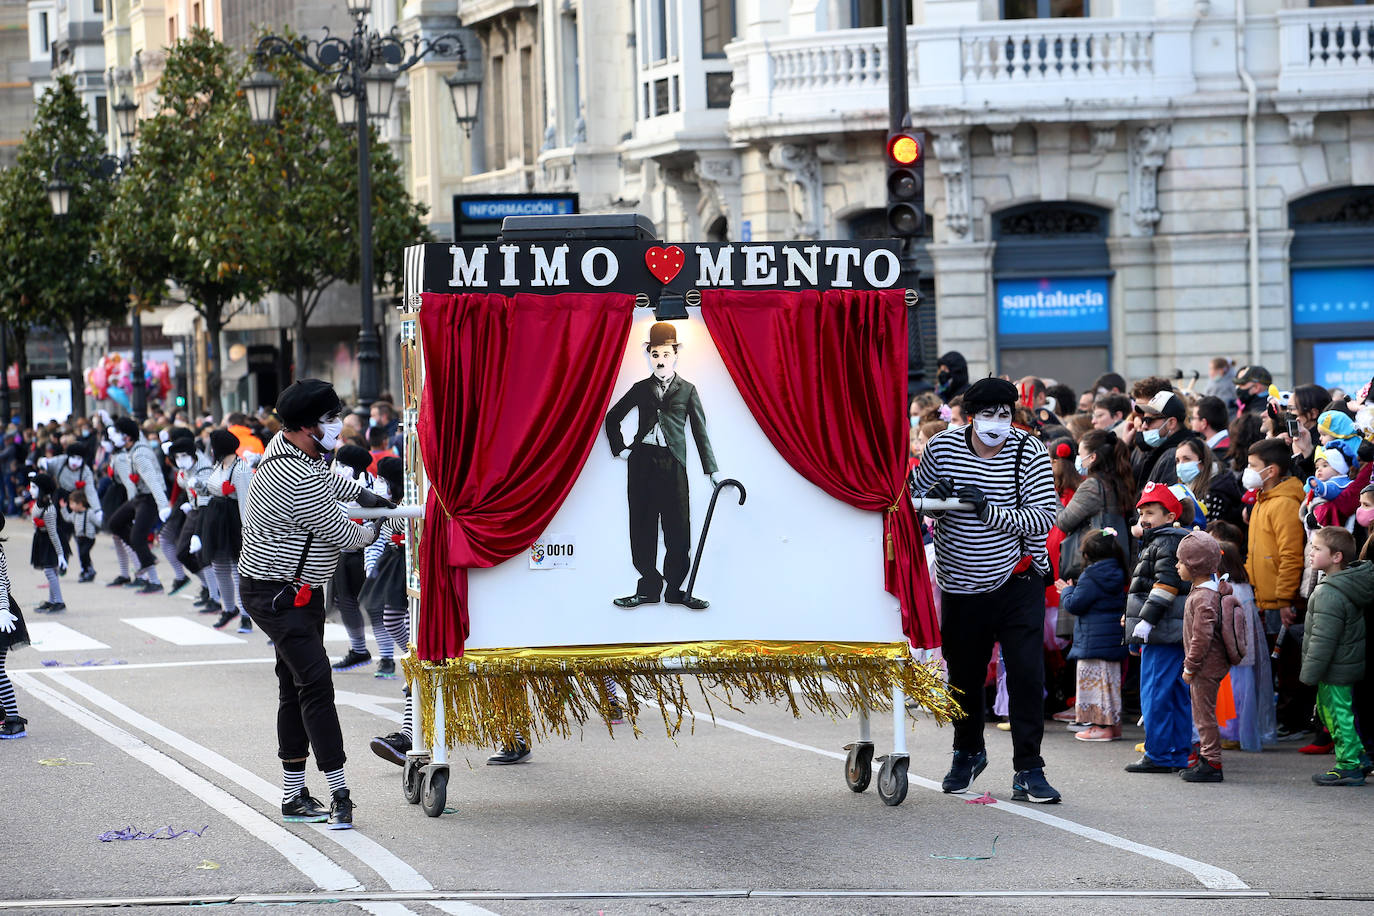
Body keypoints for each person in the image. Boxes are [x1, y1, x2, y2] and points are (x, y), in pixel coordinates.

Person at [239, 379, 392, 830]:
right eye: (329, 421)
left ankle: (293, 796)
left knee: (295, 684)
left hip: (293, 591)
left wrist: (368, 497)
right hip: (278, 593)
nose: (338, 428)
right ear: (305, 427)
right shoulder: (294, 474)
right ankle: (339, 790)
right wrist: (380, 527)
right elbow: (343, 536)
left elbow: (330, 483)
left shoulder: (289, 452)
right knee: (316, 684)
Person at [915, 377, 1062, 804]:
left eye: (1005, 414)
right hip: (960, 580)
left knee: (1026, 675)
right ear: (969, 416)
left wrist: (989, 510)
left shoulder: (1028, 449)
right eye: (988, 414)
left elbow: (1042, 518)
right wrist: (933, 498)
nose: (997, 423)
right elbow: (913, 500)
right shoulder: (942, 448)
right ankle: (967, 752)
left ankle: (1029, 768)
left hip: (1018, 578)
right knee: (963, 676)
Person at [603, 322, 719, 611]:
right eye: (655, 354)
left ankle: (676, 590)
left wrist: (712, 470)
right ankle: (648, 589)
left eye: (666, 354)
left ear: (675, 355)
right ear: (649, 356)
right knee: (642, 526)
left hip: (673, 465)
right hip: (642, 464)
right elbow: (612, 417)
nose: (660, 360)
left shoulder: (688, 390)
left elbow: (700, 432)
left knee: (678, 528)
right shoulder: (640, 388)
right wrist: (622, 450)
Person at [1123, 482, 1194, 774]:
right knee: (1175, 693)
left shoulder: (1163, 541)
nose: (1144, 519)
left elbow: (1165, 586)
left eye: (1151, 512)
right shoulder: (1172, 539)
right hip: (1173, 630)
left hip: (1161, 630)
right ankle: (1177, 753)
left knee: (1155, 693)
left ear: (1170, 515)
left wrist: (1146, 621)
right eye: (1142, 512)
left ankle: (1158, 754)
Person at [1244, 437, 1310, 739]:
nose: (1248, 471)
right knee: (1274, 662)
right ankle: (1282, 716)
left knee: (1285, 663)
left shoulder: (1283, 503)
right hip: (1261, 596)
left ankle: (1292, 720)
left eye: (1252, 466)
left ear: (1270, 471)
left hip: (1278, 599)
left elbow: (1290, 555)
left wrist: (1285, 598)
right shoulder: (1262, 501)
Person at [1301, 526, 1372, 785]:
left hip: (1334, 668)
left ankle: (1348, 765)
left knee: (1337, 714)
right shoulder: (1340, 585)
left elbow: (1323, 639)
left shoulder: (1329, 592)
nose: (1310, 552)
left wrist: (1310, 674)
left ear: (1337, 557)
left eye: (1318, 548)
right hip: (1342, 665)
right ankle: (1358, 756)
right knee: (1338, 712)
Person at [329, 445, 395, 676]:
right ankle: (358, 650)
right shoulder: (335, 485)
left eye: (341, 463)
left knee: (374, 605)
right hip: (343, 552)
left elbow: (377, 517)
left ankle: (387, 657)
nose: (337, 467)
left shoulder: (372, 485)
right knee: (345, 602)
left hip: (367, 550)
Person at [1057, 529, 1129, 742]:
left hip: (1093, 640)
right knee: (1110, 684)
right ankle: (1114, 725)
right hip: (1112, 639)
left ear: (1088, 554)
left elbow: (1075, 605)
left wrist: (1067, 591)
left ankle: (1099, 727)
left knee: (1095, 685)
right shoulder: (1117, 571)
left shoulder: (1091, 575)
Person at [1176, 531, 1236, 783]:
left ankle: (1212, 763)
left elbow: (1201, 637)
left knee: (1204, 715)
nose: (1176, 566)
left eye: (1180, 562)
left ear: (1194, 565)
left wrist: (1190, 666)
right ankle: (1206, 758)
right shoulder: (1207, 590)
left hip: (1205, 665)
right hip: (1208, 664)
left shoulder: (1203, 597)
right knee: (1203, 713)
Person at [1214, 539, 1277, 752]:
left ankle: (1231, 734)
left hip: (1233, 652)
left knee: (1233, 696)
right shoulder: (1244, 588)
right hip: (1243, 652)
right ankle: (1235, 733)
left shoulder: (1231, 591)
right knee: (1241, 694)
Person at [106, 416, 171, 594]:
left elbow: (153, 482)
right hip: (140, 497)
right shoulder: (131, 449)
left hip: (150, 498)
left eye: (117, 433)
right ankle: (148, 557)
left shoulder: (139, 455)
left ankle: (155, 582)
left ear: (127, 436)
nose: (113, 437)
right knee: (115, 523)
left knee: (137, 537)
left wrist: (163, 505)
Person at [201, 430, 255, 633]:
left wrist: (247, 532)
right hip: (215, 519)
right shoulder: (219, 465)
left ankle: (245, 615)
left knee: (236, 568)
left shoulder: (241, 470)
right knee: (218, 566)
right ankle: (229, 608)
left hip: (232, 522)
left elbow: (246, 503)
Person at [1175, 437, 1243, 527]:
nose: (1180, 465)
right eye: (1177, 460)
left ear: (1203, 461)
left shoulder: (1214, 491)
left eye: (1187, 459)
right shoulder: (1185, 487)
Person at [0, 514, 27, 738]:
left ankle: (14, 719)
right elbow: (7, 582)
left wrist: (2, 610)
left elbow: (0, 586)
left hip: (2, 615)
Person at [1130, 390, 1190, 489]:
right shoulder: (1158, 449)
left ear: (1171, 423)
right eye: (1143, 420)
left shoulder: (1174, 455)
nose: (1144, 426)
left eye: (1149, 420)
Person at [28, 473, 68, 614]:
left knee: (50, 570)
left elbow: (53, 533)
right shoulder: (38, 504)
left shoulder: (50, 509)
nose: (30, 490)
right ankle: (52, 600)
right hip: (41, 539)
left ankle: (59, 601)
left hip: (50, 542)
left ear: (43, 489)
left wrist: (60, 554)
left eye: (34, 487)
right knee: (51, 571)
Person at [62, 489, 101, 585]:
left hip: (89, 538)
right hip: (80, 538)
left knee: (84, 553)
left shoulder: (89, 513)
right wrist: (63, 508)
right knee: (82, 555)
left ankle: (89, 570)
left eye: (72, 503)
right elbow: (67, 518)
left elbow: (98, 523)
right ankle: (86, 570)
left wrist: (100, 524)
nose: (70, 506)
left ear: (80, 503)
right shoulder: (74, 514)